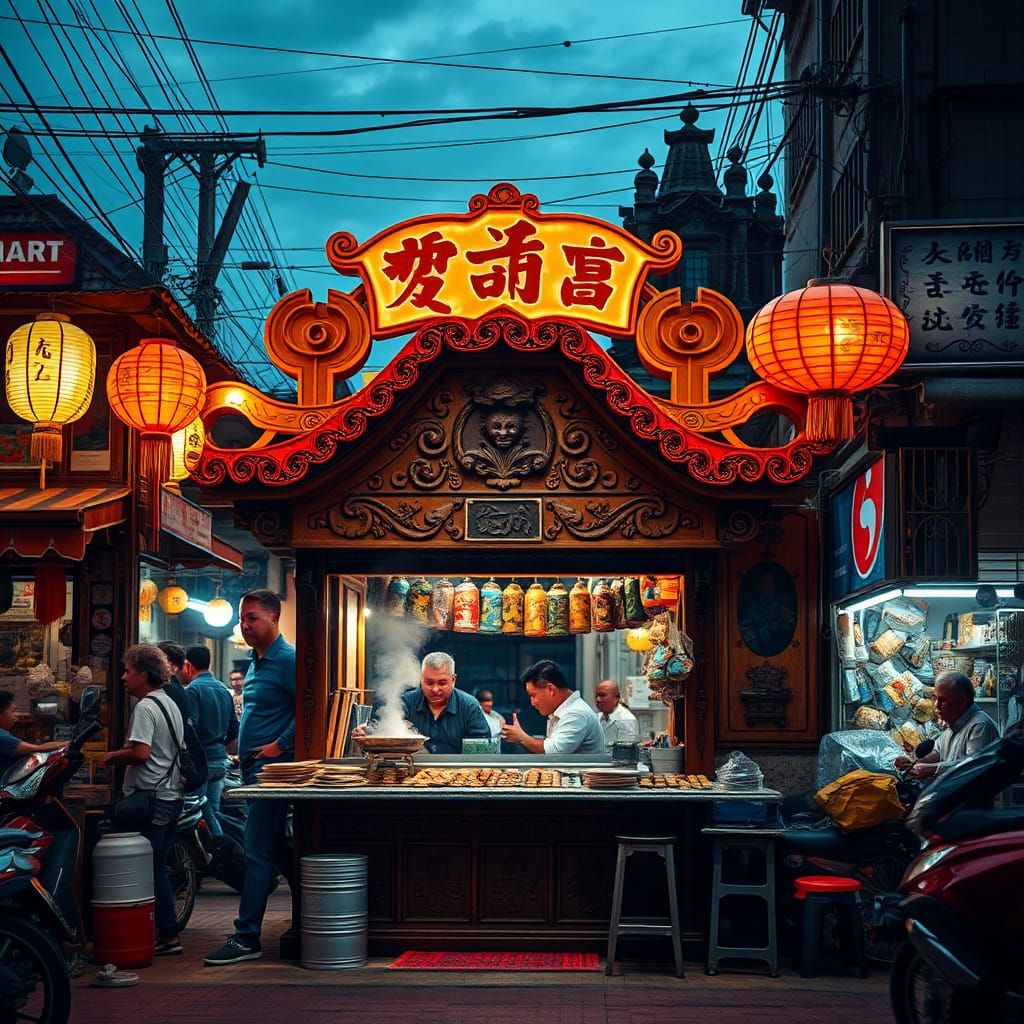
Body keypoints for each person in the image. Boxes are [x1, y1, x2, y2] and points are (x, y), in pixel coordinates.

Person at [204, 589, 295, 967]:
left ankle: (246, 936)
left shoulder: (287, 660)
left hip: (270, 772)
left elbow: (313, 706)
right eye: (242, 618)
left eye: (253, 617)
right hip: (251, 768)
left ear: (274, 618)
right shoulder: (256, 661)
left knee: (256, 852)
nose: (245, 625)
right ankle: (316, 912)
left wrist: (279, 745)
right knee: (280, 852)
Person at [102, 644, 185, 955]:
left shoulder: (146, 707)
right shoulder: (168, 703)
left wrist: (112, 756)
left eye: (128, 670)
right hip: (169, 795)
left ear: (145, 674)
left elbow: (141, 753)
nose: (124, 677)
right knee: (157, 864)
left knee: (149, 866)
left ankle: (168, 934)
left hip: (151, 797)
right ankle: (165, 931)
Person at [354, 653, 490, 755]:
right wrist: (370, 733)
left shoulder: (469, 706)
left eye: (442, 683)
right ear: (421, 679)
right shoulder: (404, 702)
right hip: (410, 776)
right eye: (429, 682)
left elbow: (483, 752)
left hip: (459, 778)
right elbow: (384, 734)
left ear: (453, 680)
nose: (435, 689)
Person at [895, 672, 1000, 779]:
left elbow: (973, 767)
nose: (936, 705)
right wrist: (914, 763)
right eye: (935, 698)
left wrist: (933, 769)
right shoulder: (953, 722)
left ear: (961, 701)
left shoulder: (980, 726)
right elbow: (939, 752)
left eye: (943, 700)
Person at [182, 645, 237, 839]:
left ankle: (220, 848)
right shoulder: (223, 689)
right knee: (213, 809)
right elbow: (234, 727)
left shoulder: (193, 690)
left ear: (188, 665)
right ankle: (222, 849)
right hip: (220, 760)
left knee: (199, 812)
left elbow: (192, 727)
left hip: (201, 762)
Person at [501, 659, 605, 755]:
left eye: (533, 695)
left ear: (550, 689)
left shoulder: (576, 713)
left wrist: (521, 738)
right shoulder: (562, 711)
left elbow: (553, 752)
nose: (532, 702)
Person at [0, 690, 66, 772]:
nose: (15, 718)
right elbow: (39, 748)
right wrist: (69, 743)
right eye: (12, 712)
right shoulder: (2, 737)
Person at [594, 680, 639, 746]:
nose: (597, 699)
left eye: (602, 695)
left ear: (616, 698)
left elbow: (627, 749)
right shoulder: (597, 717)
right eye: (596, 696)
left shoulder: (625, 719)